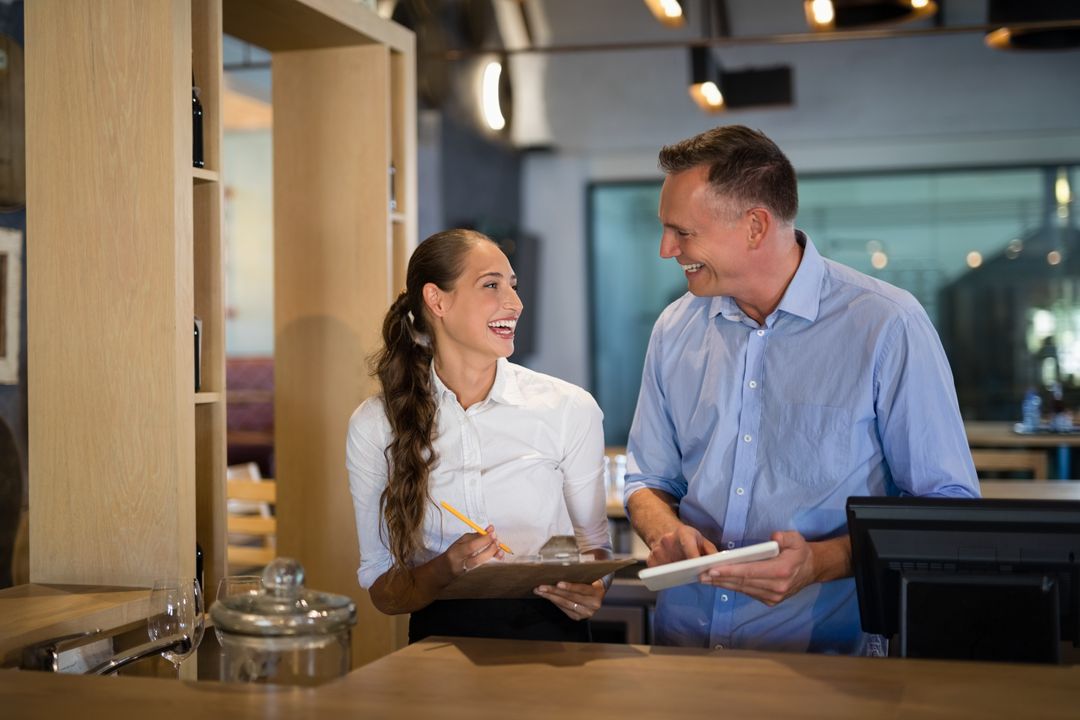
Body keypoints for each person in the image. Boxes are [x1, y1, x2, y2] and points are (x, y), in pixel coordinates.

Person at [623, 125, 980, 655]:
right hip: (683, 651)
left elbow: (946, 506)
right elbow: (648, 479)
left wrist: (821, 563)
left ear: (755, 226)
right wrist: (664, 532)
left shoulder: (887, 324)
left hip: (826, 667)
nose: (666, 249)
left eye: (683, 232)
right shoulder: (674, 327)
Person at [346, 228, 612, 643]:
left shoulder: (568, 407)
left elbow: (595, 547)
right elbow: (384, 591)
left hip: (556, 645)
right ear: (438, 300)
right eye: (491, 285)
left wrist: (593, 590)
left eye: (513, 286)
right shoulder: (374, 425)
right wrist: (444, 569)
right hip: (439, 655)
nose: (516, 303)